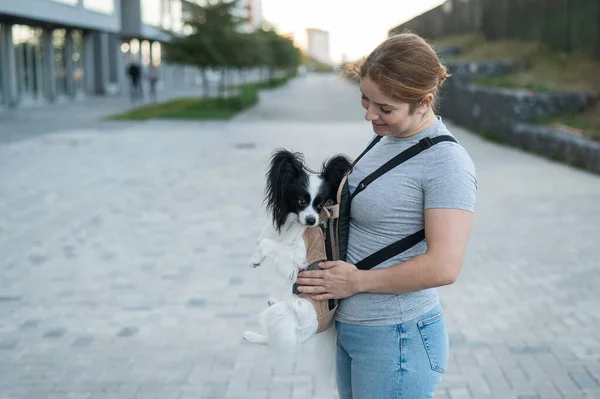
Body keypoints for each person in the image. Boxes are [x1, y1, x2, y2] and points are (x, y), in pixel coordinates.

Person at [295, 32, 477, 399]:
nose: (369, 114)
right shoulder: (388, 137)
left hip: (398, 339)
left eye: (385, 108)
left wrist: (356, 282)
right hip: (354, 330)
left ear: (424, 102)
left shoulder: (447, 164)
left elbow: (445, 266)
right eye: (366, 99)